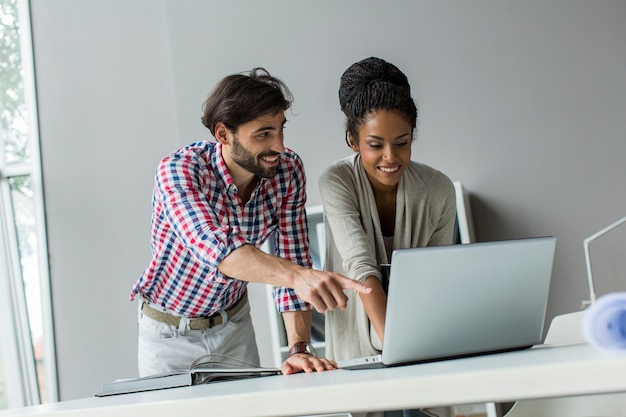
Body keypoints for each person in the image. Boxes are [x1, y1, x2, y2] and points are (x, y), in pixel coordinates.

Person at [130, 67, 371, 378]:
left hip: (234, 326)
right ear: (223, 134)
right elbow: (218, 250)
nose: (280, 146)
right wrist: (299, 276)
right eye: (264, 134)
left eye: (280, 130)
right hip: (167, 335)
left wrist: (299, 347)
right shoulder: (179, 170)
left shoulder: (287, 171)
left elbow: (292, 256)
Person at [319, 57, 457, 417]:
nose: (391, 158)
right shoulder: (336, 182)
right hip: (360, 342)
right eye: (375, 144)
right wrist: (397, 347)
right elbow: (361, 267)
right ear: (352, 140)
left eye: (403, 142)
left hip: (422, 341)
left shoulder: (438, 189)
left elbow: (437, 277)